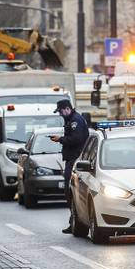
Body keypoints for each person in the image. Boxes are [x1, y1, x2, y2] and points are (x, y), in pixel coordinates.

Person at [50, 99, 89, 234]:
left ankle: (75, 222)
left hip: (74, 160)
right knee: (70, 191)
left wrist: (60, 139)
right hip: (73, 159)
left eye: (61, 111)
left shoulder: (75, 121)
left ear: (67, 109)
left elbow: (76, 139)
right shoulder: (72, 120)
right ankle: (74, 222)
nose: (60, 114)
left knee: (70, 191)